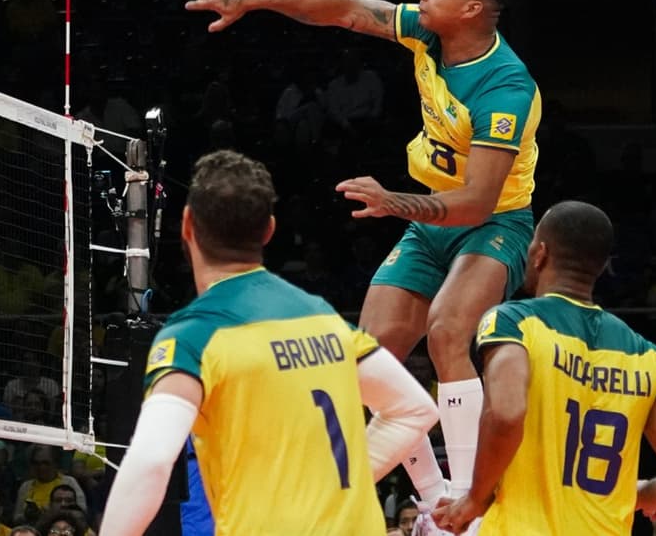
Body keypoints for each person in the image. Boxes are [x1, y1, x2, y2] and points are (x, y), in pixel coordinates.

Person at [186, 0, 541, 529]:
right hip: (430, 221)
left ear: (473, 9)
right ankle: (431, 503)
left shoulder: (506, 89)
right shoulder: (427, 32)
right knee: (369, 354)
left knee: (450, 330)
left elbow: (476, 202)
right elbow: (344, 7)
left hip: (493, 222)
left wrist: (392, 200)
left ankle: (468, 503)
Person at [97, 150, 439, 535]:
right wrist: (338, 479)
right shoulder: (324, 318)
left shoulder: (193, 336)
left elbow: (152, 463)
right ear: (269, 230)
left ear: (188, 226)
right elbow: (415, 409)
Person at [432, 201, 656, 534]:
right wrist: (649, 494)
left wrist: (475, 497)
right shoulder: (650, 357)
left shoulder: (514, 322)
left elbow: (506, 414)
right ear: (603, 266)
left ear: (539, 253)